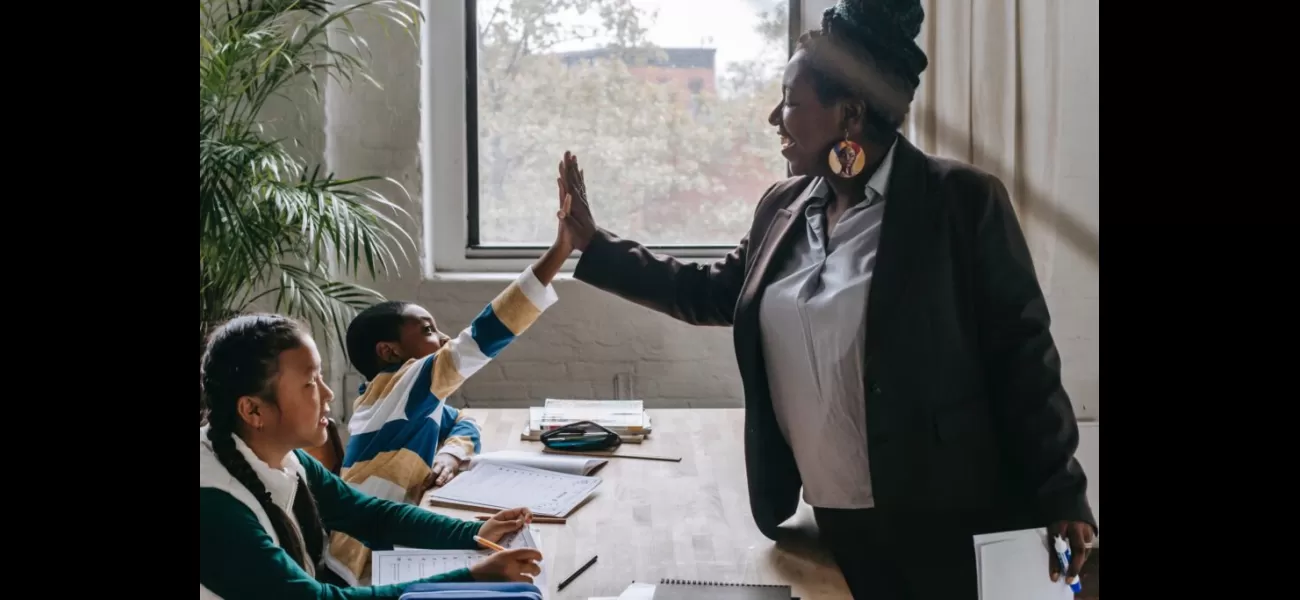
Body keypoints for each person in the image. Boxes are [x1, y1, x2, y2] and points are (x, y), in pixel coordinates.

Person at [553, 1, 1095, 598]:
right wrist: (593, 245)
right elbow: (711, 292)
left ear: (851, 113)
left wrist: (1062, 489)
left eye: (790, 100)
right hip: (831, 522)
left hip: (945, 526)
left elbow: (1023, 357)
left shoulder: (961, 205)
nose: (773, 117)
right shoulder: (782, 209)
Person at [326, 181, 576, 582]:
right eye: (427, 331)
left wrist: (452, 454)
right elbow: (481, 338)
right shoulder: (399, 385)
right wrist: (559, 252)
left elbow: (464, 421)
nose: (441, 338)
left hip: (390, 540)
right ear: (389, 352)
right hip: (361, 563)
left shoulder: (403, 400)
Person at [198, 314, 544, 599]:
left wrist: (474, 531)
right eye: (309, 383)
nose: (328, 393)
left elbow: (368, 515)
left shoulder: (282, 456)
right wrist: (469, 578)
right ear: (252, 410)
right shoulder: (215, 504)